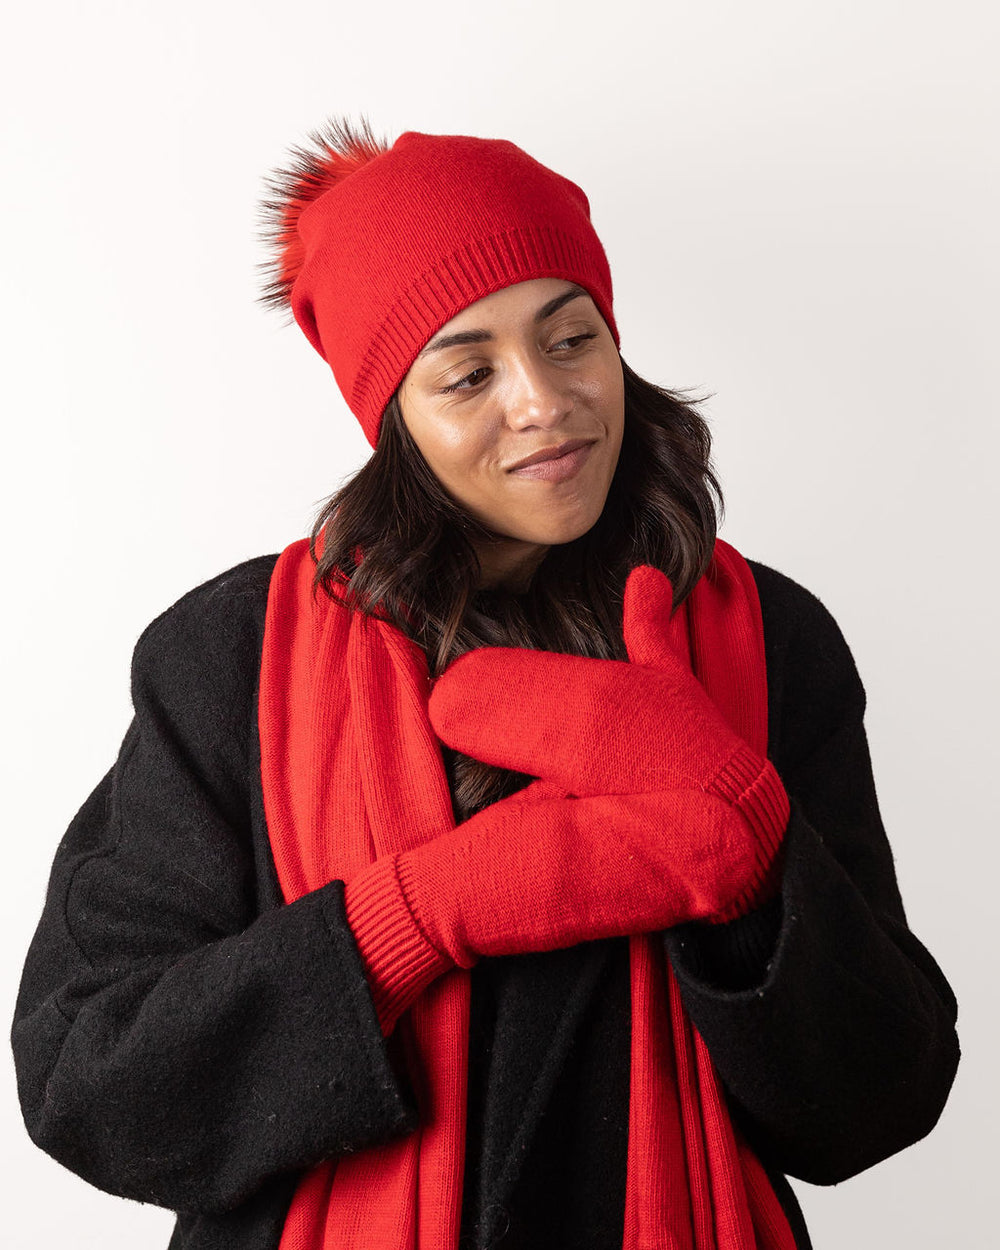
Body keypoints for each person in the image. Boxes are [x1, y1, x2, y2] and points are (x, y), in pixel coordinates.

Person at [11, 118, 959, 1250]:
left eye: (571, 339)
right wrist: (408, 920)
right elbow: (86, 1079)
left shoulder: (770, 637)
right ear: (394, 417)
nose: (543, 399)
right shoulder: (230, 657)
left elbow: (881, 1106)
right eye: (468, 373)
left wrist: (755, 863)